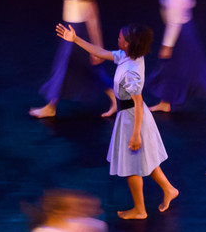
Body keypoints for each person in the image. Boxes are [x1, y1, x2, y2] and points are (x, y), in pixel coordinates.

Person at [56, 22, 178, 219]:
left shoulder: (132, 71)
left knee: (132, 166)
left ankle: (140, 210)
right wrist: (75, 39)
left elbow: (137, 104)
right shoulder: (128, 56)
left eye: (121, 37)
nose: (118, 38)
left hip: (133, 119)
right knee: (144, 159)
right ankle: (169, 189)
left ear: (128, 44)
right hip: (129, 116)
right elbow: (102, 52)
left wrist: (136, 134)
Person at [28, 0, 117, 118]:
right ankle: (117, 100)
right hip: (70, 31)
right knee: (84, 69)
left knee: (68, 68)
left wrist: (98, 47)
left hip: (77, 33)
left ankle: (50, 107)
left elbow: (92, 18)